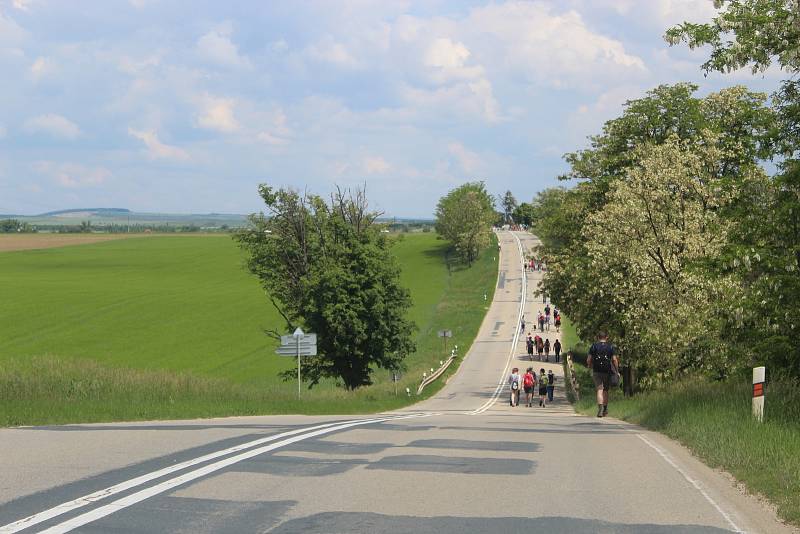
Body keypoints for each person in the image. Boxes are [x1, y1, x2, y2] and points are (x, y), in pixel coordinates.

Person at [587, 332, 619, 418]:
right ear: (606, 337)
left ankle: (600, 409)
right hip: (607, 370)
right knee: (605, 390)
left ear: (598, 337)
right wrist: (617, 370)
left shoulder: (594, 346)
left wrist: (590, 367)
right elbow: (614, 360)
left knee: (599, 390)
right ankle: (605, 409)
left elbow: (589, 359)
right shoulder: (610, 347)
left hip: (597, 371)